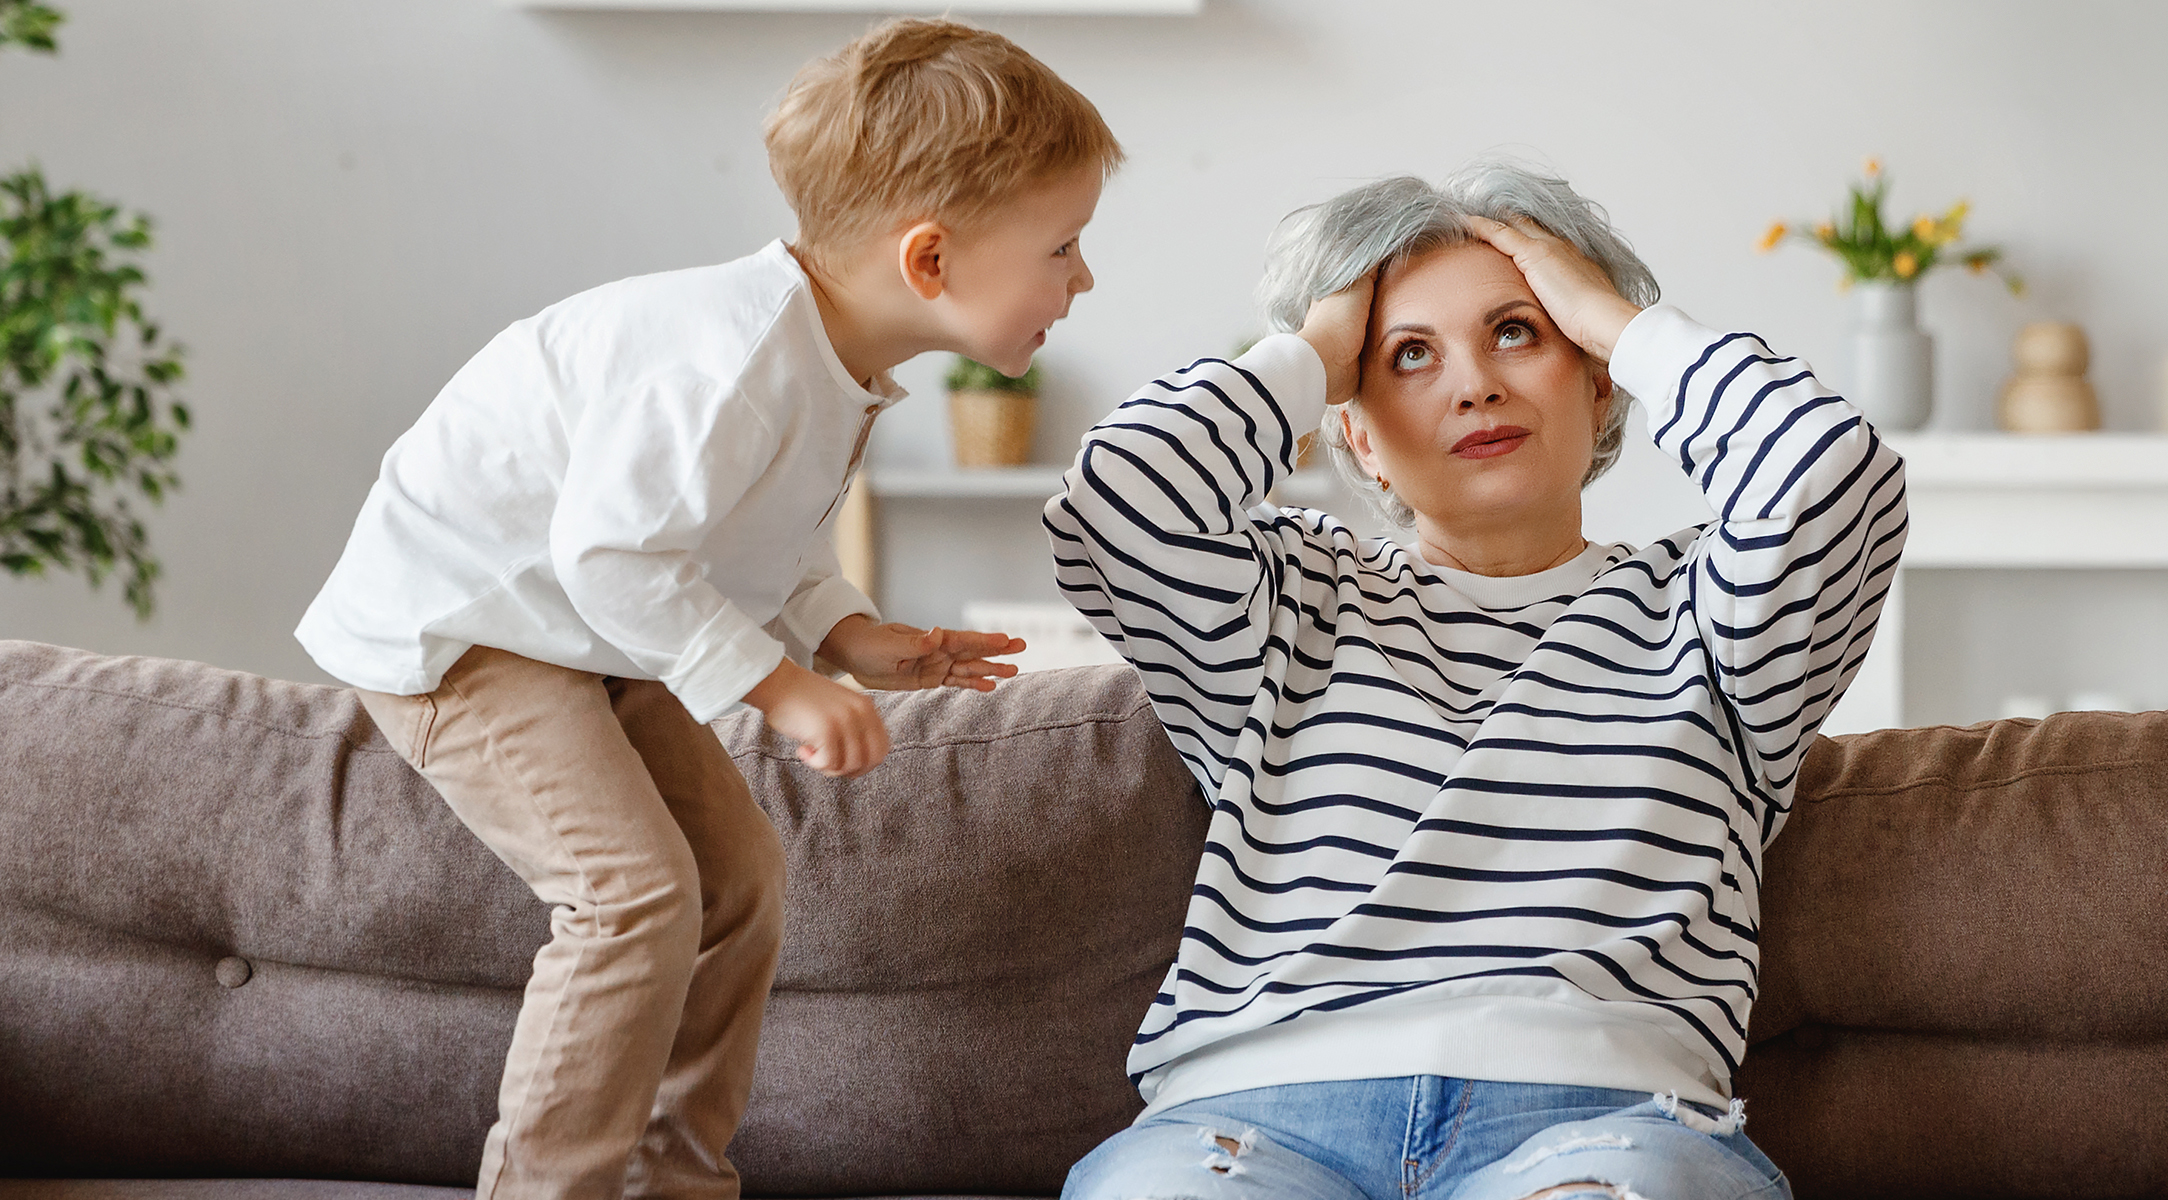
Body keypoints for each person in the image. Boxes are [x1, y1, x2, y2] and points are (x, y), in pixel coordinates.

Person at [295, 19, 1117, 1200]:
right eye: (1065, 246)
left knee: (739, 881)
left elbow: (740, 534)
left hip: (583, 624)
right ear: (930, 261)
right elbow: (612, 557)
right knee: (631, 893)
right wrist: (782, 687)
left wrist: (844, 630)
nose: (1083, 279)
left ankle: (672, 1177)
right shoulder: (726, 362)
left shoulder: (824, 359)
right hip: (467, 628)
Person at [1045, 161, 1907, 1200]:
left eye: (1517, 331)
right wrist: (1315, 355)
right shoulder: (1285, 599)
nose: (1474, 385)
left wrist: (1618, 321)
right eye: (1408, 356)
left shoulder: (1711, 615)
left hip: (1603, 1124)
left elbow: (1829, 473)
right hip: (1249, 1125)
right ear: (1354, 434)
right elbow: (1115, 500)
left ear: (1595, 382)